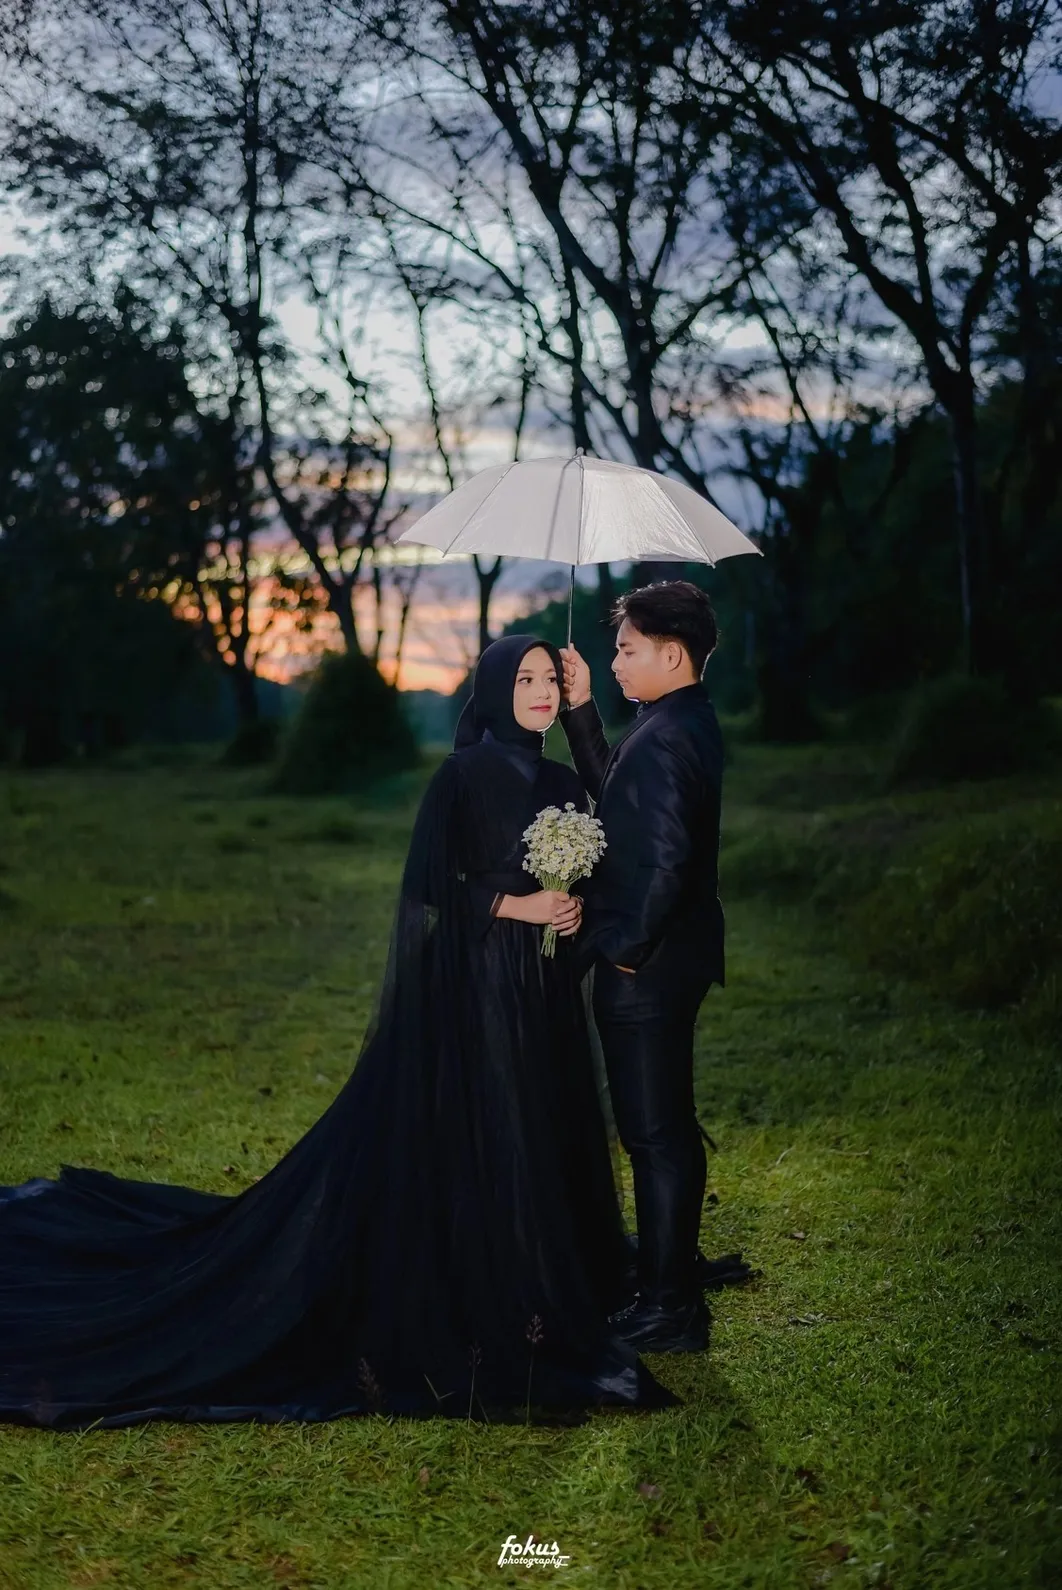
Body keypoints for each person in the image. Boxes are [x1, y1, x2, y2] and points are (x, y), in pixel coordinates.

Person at [0, 635, 676, 1430]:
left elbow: (612, 834)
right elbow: (428, 890)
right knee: (485, 1116)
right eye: (523, 679)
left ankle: (540, 1260)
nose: (538, 692)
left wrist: (569, 904)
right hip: (476, 980)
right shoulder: (461, 776)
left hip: (545, 988)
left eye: (547, 680)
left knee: (538, 1114)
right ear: (495, 690)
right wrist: (517, 906)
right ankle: (483, 1266)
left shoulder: (563, 782)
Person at [560, 581, 729, 1354]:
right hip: (671, 959)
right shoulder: (676, 721)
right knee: (663, 1131)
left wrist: (624, 949)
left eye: (627, 649)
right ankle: (669, 1280)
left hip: (649, 969)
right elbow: (616, 794)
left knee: (655, 1137)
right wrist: (582, 710)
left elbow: (666, 859)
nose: (616, 662)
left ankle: (669, 1308)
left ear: (672, 653)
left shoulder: (666, 735)